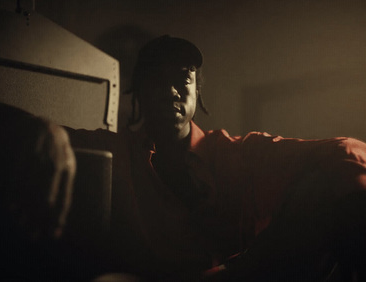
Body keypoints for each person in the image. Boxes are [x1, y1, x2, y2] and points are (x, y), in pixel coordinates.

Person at [65, 35, 366, 281]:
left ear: (197, 91)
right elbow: (38, 132)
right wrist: (44, 137)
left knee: (329, 183)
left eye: (182, 79)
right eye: (157, 80)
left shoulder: (236, 153)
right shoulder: (117, 152)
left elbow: (347, 149)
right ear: (139, 93)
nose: (170, 91)